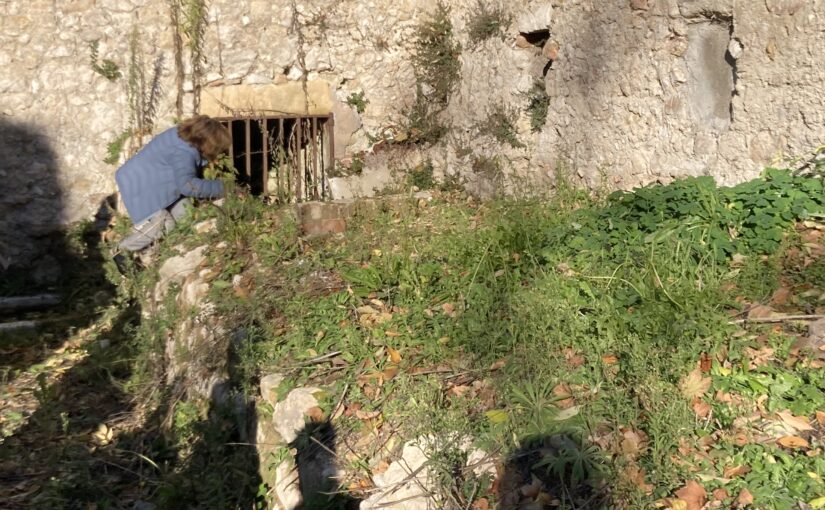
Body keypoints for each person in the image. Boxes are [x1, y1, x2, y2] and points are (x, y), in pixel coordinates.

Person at [113, 115, 231, 269]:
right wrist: (227, 188)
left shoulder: (183, 137)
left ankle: (152, 254)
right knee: (163, 222)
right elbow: (188, 186)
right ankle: (123, 249)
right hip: (140, 184)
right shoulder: (184, 151)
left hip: (152, 181)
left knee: (186, 216)